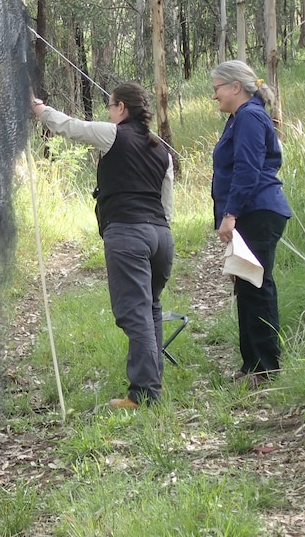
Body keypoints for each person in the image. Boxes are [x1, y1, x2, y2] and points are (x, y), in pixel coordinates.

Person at [32, 83, 175, 409]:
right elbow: (167, 206)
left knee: (135, 313)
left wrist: (38, 109)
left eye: (110, 107)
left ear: (121, 108)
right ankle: (152, 385)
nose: (108, 113)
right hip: (161, 237)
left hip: (128, 234)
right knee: (150, 308)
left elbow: (71, 127)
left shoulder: (113, 134)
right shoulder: (162, 151)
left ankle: (143, 394)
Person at [210, 60, 292, 388]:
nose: (214, 95)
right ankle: (252, 365)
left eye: (216, 87)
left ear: (235, 87)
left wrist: (230, 214)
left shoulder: (249, 117)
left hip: (257, 212)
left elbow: (248, 168)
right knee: (246, 286)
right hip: (250, 212)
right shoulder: (238, 119)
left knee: (256, 287)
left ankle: (265, 368)